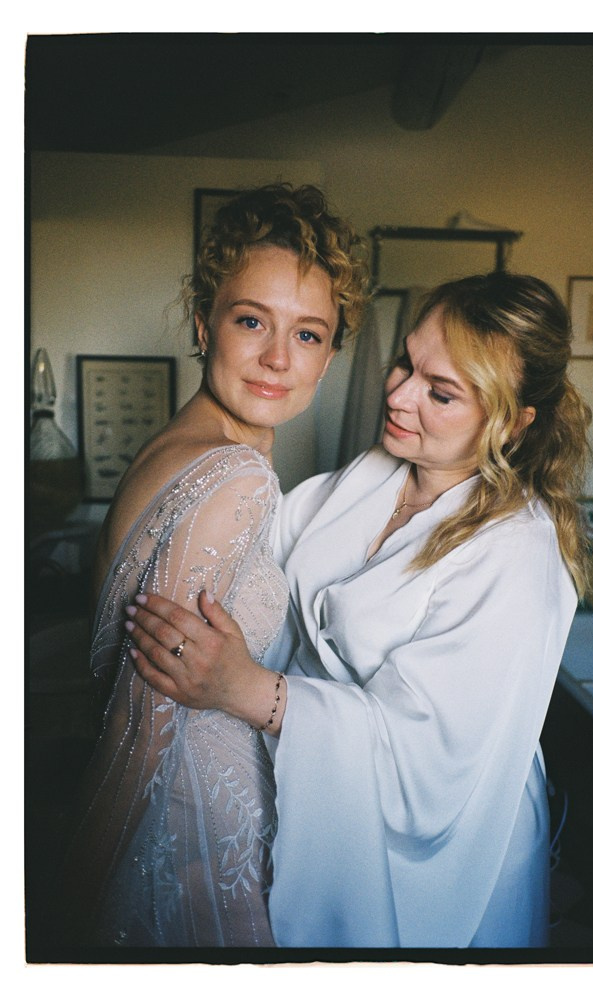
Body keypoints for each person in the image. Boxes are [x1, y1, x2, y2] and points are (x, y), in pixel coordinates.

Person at [125, 271, 592, 949]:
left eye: (441, 392)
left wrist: (245, 689)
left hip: (431, 838)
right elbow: (260, 558)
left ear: (515, 421)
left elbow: (426, 759)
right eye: (405, 361)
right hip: (315, 786)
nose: (398, 395)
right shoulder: (373, 475)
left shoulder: (518, 552)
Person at [53, 183, 368, 949]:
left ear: (329, 358)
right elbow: (137, 727)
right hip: (189, 851)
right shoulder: (232, 476)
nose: (276, 358)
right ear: (204, 326)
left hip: (192, 836)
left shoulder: (174, 450)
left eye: (308, 335)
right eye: (251, 320)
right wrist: (60, 926)